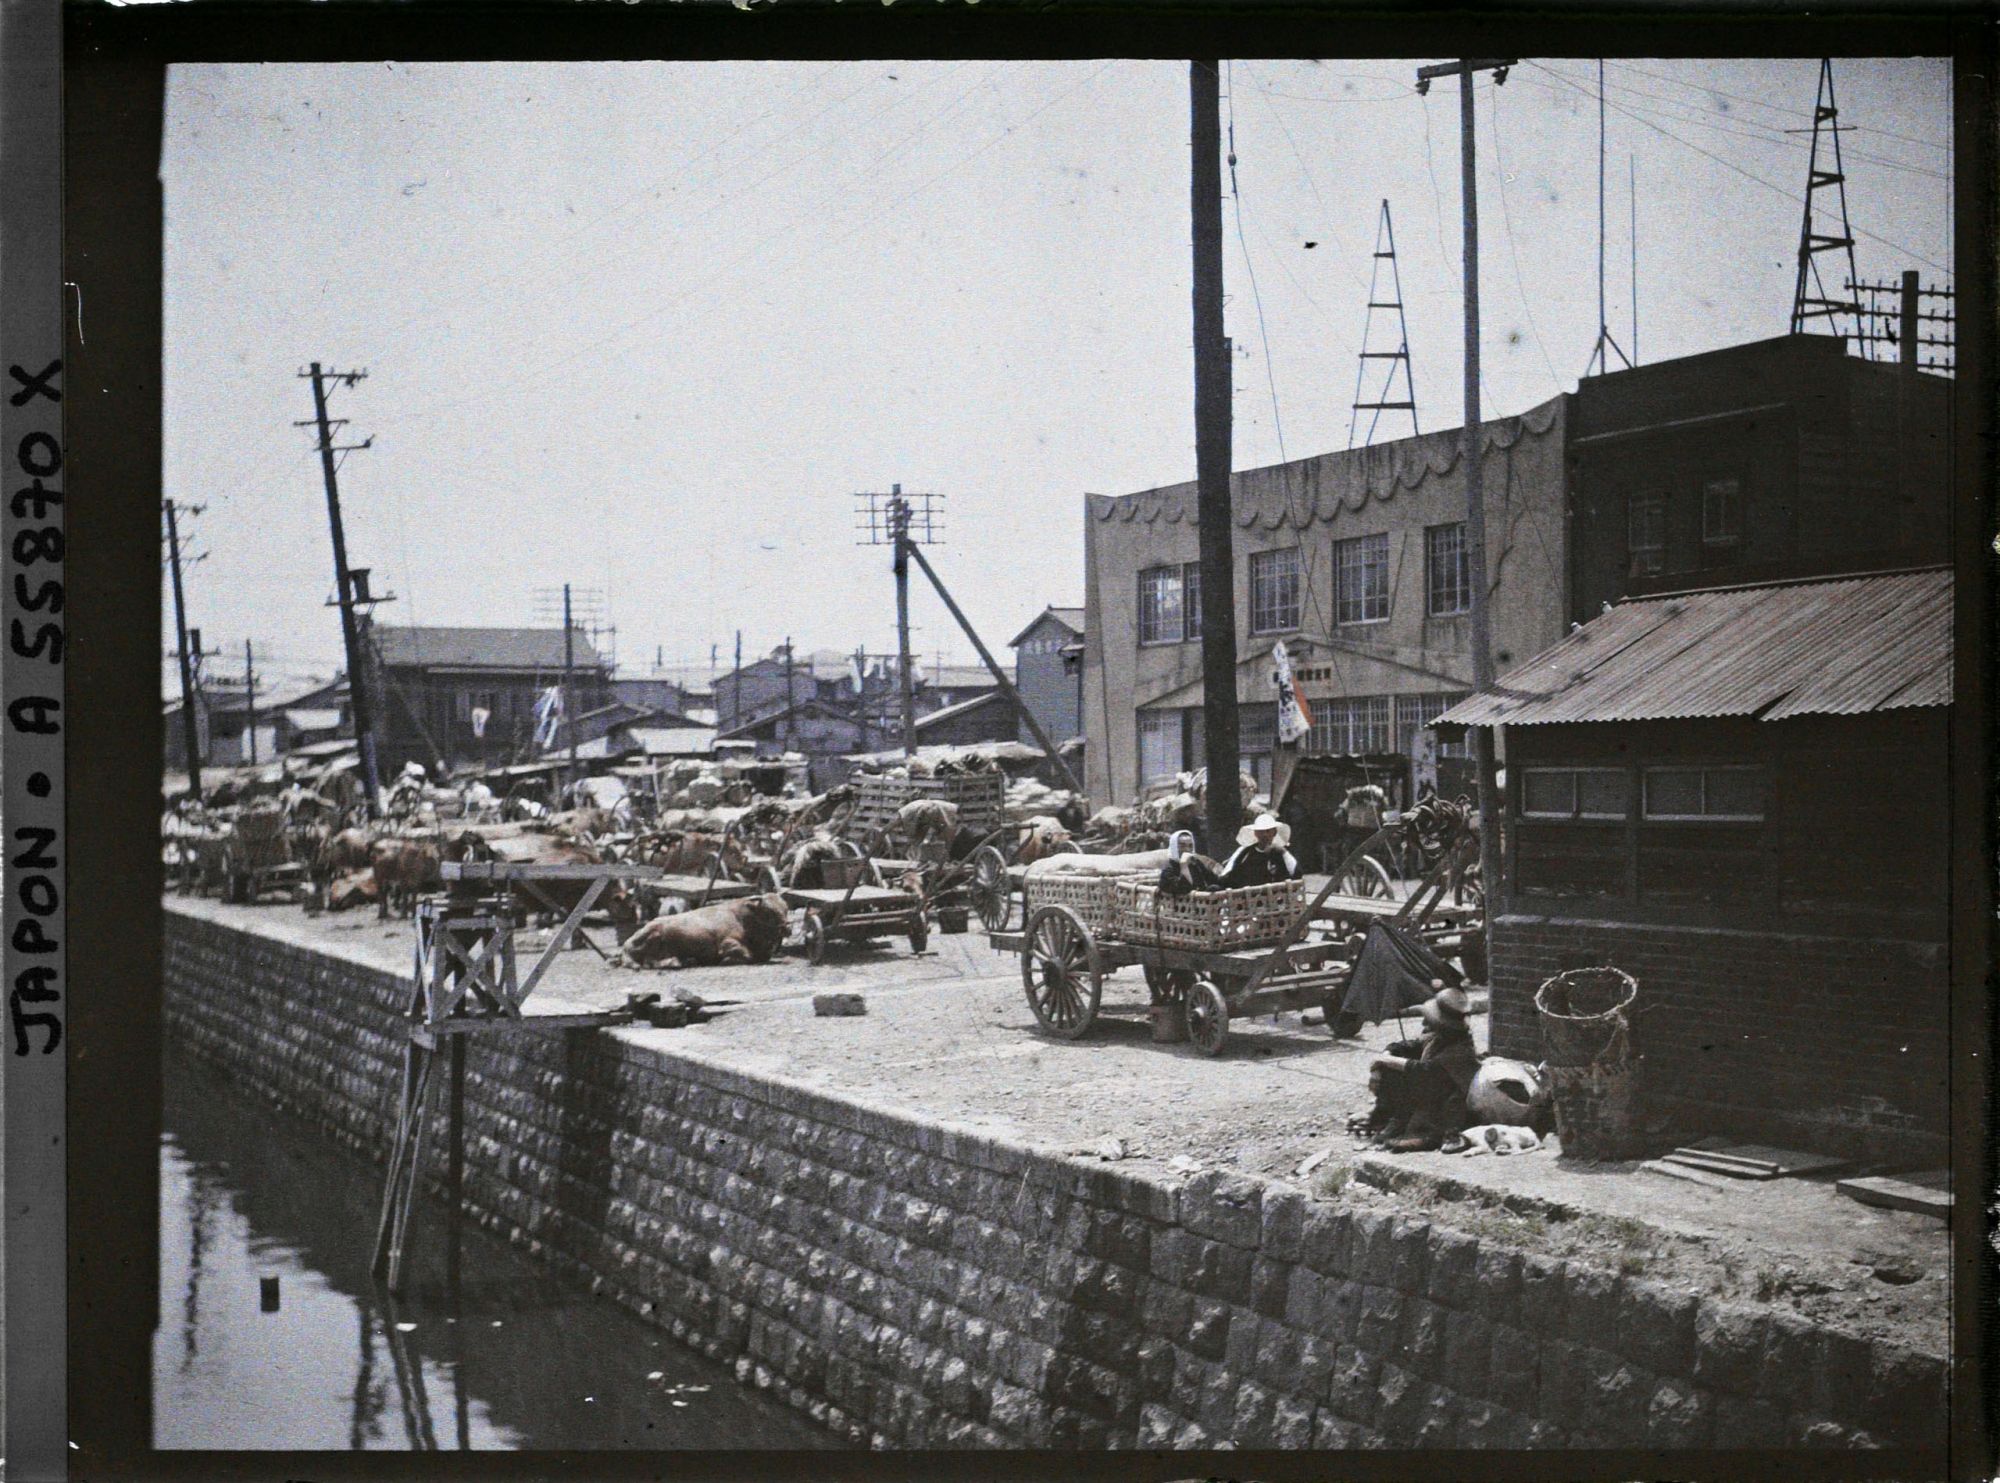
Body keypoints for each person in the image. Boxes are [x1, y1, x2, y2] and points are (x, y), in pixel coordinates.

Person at [1364, 986, 1481, 1152]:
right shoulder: (1435, 1039)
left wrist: (1386, 1060)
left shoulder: (1461, 1049)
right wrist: (1383, 1060)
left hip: (1447, 1100)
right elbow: (1401, 1047)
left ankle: (1420, 1132)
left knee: (1400, 1071)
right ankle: (1390, 1120)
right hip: (1428, 1090)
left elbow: (1425, 1070)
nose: (1424, 1023)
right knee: (1390, 1068)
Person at [1217, 812, 1302, 889]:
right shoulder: (1245, 851)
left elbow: (1296, 872)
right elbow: (1227, 873)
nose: (1265, 835)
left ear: (1274, 832)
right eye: (1261, 832)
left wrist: (1282, 852)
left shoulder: (1280, 852)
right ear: (1255, 833)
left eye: (1268, 831)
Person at [1156, 829, 1223, 897]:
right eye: (1182, 846)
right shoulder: (1168, 870)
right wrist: (1184, 865)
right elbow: (1184, 889)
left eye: (1190, 846)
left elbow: (1213, 879)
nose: (1187, 850)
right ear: (1174, 847)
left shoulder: (1196, 864)